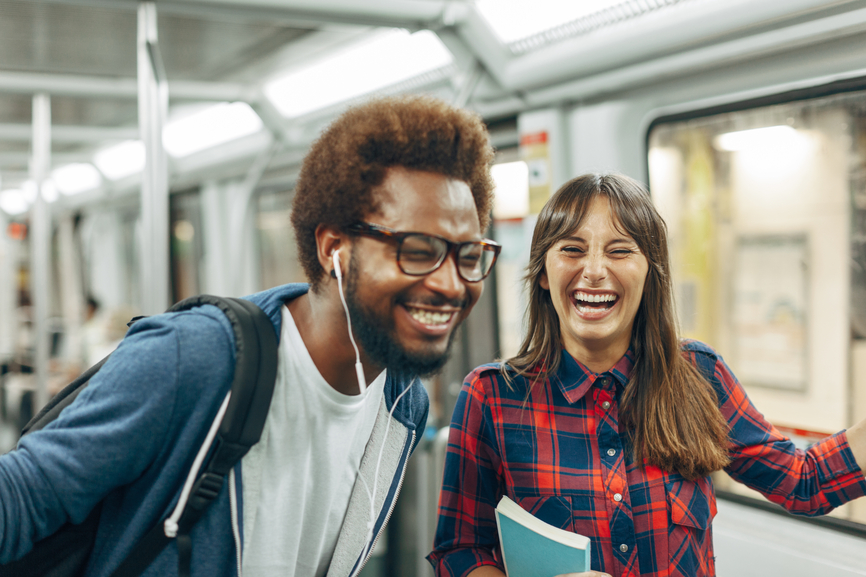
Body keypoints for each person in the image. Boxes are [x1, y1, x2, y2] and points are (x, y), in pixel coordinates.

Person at [0, 94, 500, 577]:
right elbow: (21, 500)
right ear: (334, 249)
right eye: (417, 250)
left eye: (469, 255)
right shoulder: (199, 359)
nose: (451, 283)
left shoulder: (401, 405)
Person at [428, 173, 866, 577]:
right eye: (572, 249)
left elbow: (804, 481)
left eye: (620, 251)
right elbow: (461, 550)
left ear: (649, 273)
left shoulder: (699, 376)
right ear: (543, 273)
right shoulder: (492, 396)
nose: (595, 270)